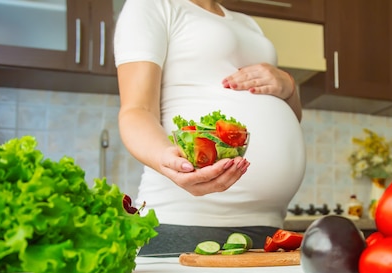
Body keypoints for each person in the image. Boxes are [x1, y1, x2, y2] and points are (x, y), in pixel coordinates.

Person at [113, 0, 306, 255]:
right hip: (188, 225)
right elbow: (137, 111)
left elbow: (292, 115)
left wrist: (289, 86)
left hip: (269, 230)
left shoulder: (248, 24)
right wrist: (167, 160)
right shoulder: (154, 4)